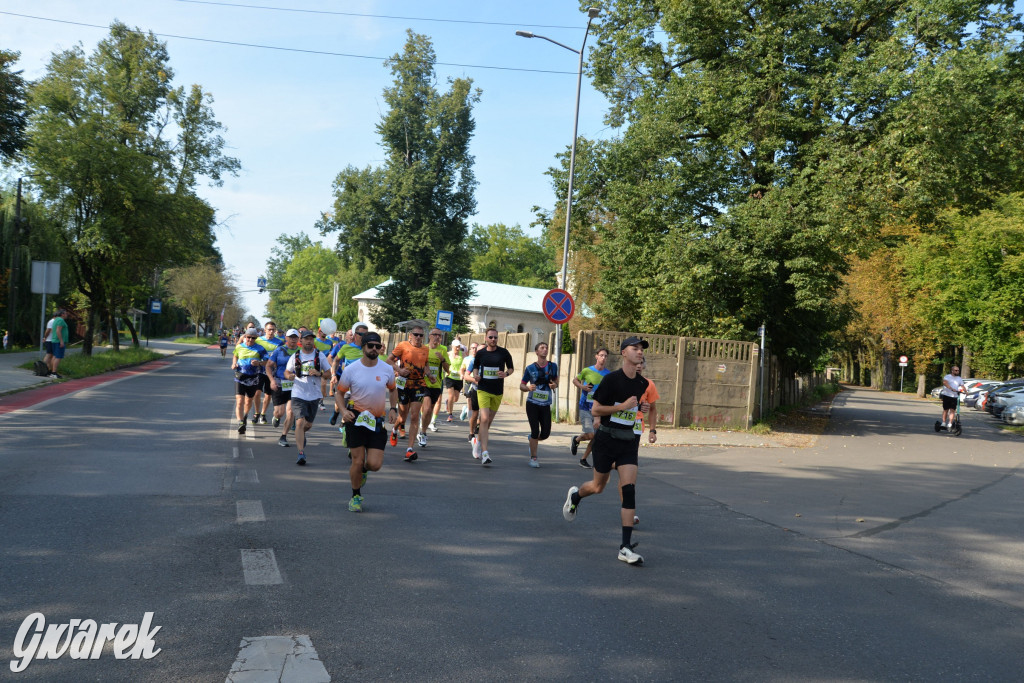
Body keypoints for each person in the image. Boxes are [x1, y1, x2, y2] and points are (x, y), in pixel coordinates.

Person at [562, 336, 650, 566]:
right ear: (624, 353)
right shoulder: (611, 380)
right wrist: (621, 407)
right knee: (598, 487)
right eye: (635, 348)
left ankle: (625, 547)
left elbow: (632, 410)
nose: (639, 352)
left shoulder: (642, 384)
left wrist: (641, 408)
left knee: (629, 489)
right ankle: (575, 496)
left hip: (628, 441)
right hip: (606, 441)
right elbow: (597, 409)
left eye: (641, 349)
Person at [336, 332, 400, 512]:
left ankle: (364, 471)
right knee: (357, 460)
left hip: (376, 421)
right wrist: (343, 411)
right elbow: (339, 393)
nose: (374, 349)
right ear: (363, 347)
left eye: (377, 346)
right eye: (370, 346)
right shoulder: (352, 369)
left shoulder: (387, 369)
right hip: (355, 419)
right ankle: (355, 496)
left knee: (374, 464)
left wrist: (393, 408)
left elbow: (393, 390)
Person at [284, 330, 330, 466]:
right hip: (298, 393)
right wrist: (289, 376)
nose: (309, 341)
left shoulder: (319, 355)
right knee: (299, 422)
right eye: (306, 339)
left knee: (307, 424)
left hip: (314, 394)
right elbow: (287, 371)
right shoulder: (296, 356)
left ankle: (301, 435)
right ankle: (301, 453)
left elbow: (329, 373)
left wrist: (319, 373)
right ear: (301, 341)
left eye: (311, 339)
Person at [472, 329, 515, 466]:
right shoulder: (481, 353)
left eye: (495, 337)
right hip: (483, 389)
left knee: (488, 422)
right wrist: (476, 376)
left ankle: (478, 442)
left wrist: (506, 374)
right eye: (490, 337)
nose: (493, 339)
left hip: (497, 391)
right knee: (484, 418)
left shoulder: (504, 352)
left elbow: (511, 368)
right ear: (486, 338)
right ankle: (485, 454)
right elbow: (475, 367)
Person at [387, 324, 430, 462]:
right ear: (410, 335)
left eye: (421, 335)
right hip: (404, 384)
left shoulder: (425, 349)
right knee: (403, 416)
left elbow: (426, 364)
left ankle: (409, 450)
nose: (418, 337)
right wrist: (399, 371)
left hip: (419, 384)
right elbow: (388, 360)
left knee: (415, 416)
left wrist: (429, 374)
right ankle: (394, 430)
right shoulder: (403, 345)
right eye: (416, 334)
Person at [571, 348, 611, 469]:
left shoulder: (608, 374)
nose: (603, 358)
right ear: (596, 356)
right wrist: (582, 387)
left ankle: (583, 459)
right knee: (591, 434)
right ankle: (577, 439)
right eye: (601, 355)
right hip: (585, 406)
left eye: (605, 356)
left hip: (598, 409)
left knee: (596, 436)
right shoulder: (587, 370)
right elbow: (575, 380)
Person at [520, 341, 558, 468]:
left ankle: (532, 440)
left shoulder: (553, 366)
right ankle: (534, 458)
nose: (545, 349)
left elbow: (556, 382)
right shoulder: (530, 368)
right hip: (532, 403)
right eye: (542, 348)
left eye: (546, 348)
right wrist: (528, 388)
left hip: (545, 404)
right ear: (536, 352)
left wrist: (554, 385)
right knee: (535, 430)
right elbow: (521, 385)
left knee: (546, 433)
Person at [266, 329, 301, 446]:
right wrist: (271, 381)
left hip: (295, 385)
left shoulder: (301, 352)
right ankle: (276, 417)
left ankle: (283, 436)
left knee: (291, 412)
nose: (293, 339)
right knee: (279, 412)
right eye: (291, 337)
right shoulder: (279, 350)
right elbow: (268, 366)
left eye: (295, 337)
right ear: (286, 338)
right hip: (279, 383)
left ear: (298, 339)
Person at [330, 322, 369, 425]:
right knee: (340, 403)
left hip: (363, 385)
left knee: (356, 409)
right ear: (356, 335)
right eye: (361, 334)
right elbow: (336, 360)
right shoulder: (346, 347)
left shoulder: (369, 348)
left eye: (366, 334)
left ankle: (345, 424)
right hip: (348, 382)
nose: (364, 337)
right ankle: (336, 412)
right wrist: (333, 374)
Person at [232, 327, 268, 434]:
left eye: (253, 338)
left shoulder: (260, 349)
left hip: (253, 378)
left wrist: (259, 363)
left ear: (256, 338)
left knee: (248, 401)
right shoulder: (239, 347)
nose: (250, 340)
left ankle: (246, 415)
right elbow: (235, 355)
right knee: (239, 401)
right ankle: (241, 422)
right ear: (245, 337)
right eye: (248, 337)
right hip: (240, 376)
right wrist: (234, 363)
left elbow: (267, 361)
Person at [420, 328, 451, 439]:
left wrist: (442, 359)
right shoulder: (424, 349)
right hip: (424, 383)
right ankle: (423, 433)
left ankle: (424, 428)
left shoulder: (443, 349)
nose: (437, 337)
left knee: (430, 410)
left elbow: (448, 370)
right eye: (435, 334)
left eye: (439, 335)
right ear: (429, 336)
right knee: (427, 408)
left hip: (437, 384)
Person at [253, 321, 284, 424]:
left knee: (268, 394)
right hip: (259, 371)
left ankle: (263, 414)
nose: (271, 331)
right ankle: (256, 413)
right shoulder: (258, 340)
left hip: (272, 372)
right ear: (265, 330)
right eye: (269, 329)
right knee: (257, 393)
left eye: (273, 330)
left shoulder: (279, 342)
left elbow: (280, 358)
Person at [461, 342, 481, 457]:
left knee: (484, 416)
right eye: (474, 348)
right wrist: (475, 380)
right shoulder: (472, 360)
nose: (476, 350)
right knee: (475, 412)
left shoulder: (491, 361)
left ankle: (478, 436)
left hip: (487, 391)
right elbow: (465, 374)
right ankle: (471, 433)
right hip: (473, 387)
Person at [443, 340, 465, 423]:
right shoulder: (448, 354)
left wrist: (462, 372)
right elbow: (445, 364)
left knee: (455, 399)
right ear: (452, 346)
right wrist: (448, 370)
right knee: (451, 396)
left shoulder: (462, 354)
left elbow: (464, 365)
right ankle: (450, 414)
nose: (458, 348)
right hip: (450, 377)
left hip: (458, 378)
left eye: (459, 346)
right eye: (456, 346)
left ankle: (448, 401)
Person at [47, 309, 69, 379]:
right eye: (65, 313)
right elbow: (58, 330)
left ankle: (52, 372)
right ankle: (54, 373)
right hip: (58, 341)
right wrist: (61, 341)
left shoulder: (56, 320)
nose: (66, 315)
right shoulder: (60, 320)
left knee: (55, 356)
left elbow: (53, 330)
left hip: (54, 340)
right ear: (62, 314)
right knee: (58, 357)